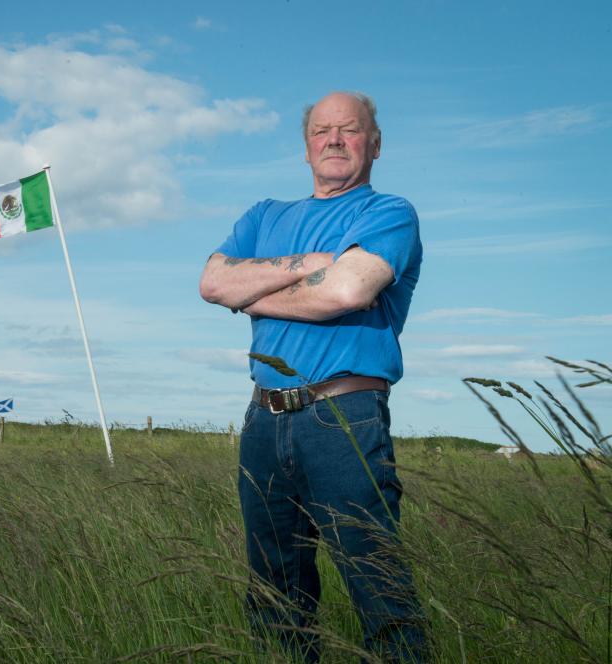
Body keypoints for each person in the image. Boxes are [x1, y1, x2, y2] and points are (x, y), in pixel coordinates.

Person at [199, 91, 427, 662]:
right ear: (305, 148)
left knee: (378, 587)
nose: (334, 140)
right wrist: (316, 264)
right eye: (322, 131)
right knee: (274, 593)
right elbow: (211, 283)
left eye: (349, 130)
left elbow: (349, 291)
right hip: (262, 420)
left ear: (374, 144)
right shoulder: (264, 215)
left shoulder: (388, 212)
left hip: (342, 417)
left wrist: (254, 292)